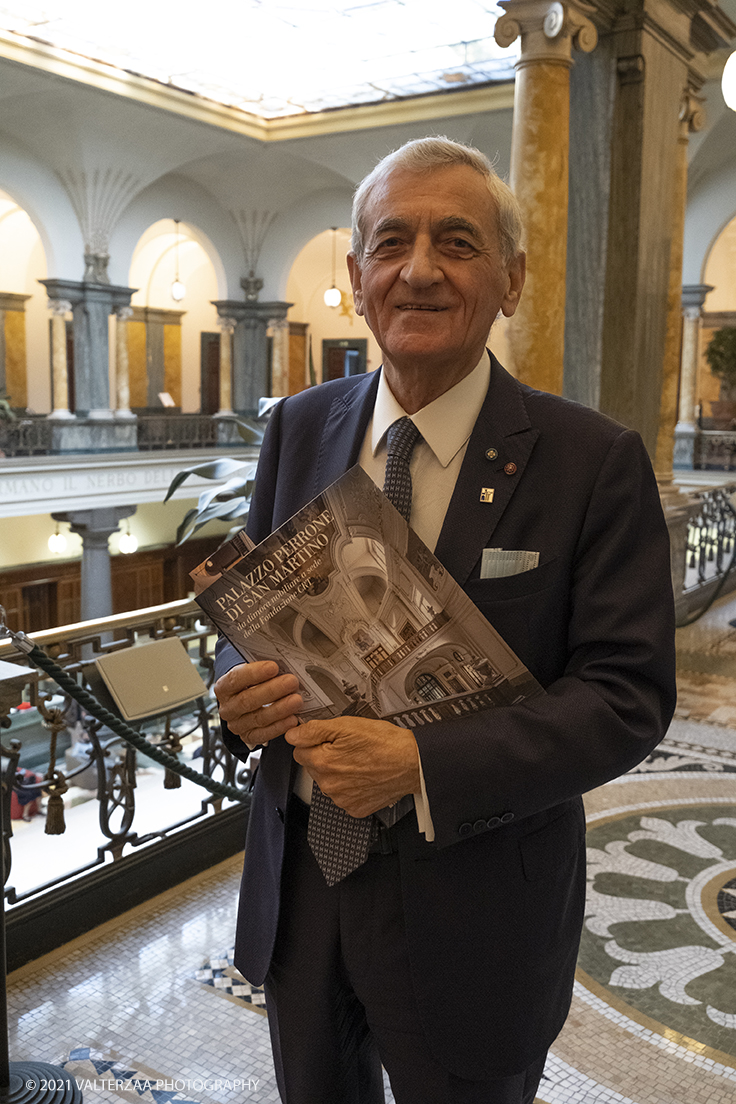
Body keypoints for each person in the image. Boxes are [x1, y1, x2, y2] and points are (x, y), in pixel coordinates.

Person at [214, 137, 676, 1104]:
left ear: (510, 278)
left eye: (456, 243)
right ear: (356, 275)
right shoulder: (297, 426)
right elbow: (251, 616)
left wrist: (422, 764)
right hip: (303, 889)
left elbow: (626, 696)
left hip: (478, 914)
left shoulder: (591, 461)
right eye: (391, 243)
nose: (418, 270)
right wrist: (238, 690)